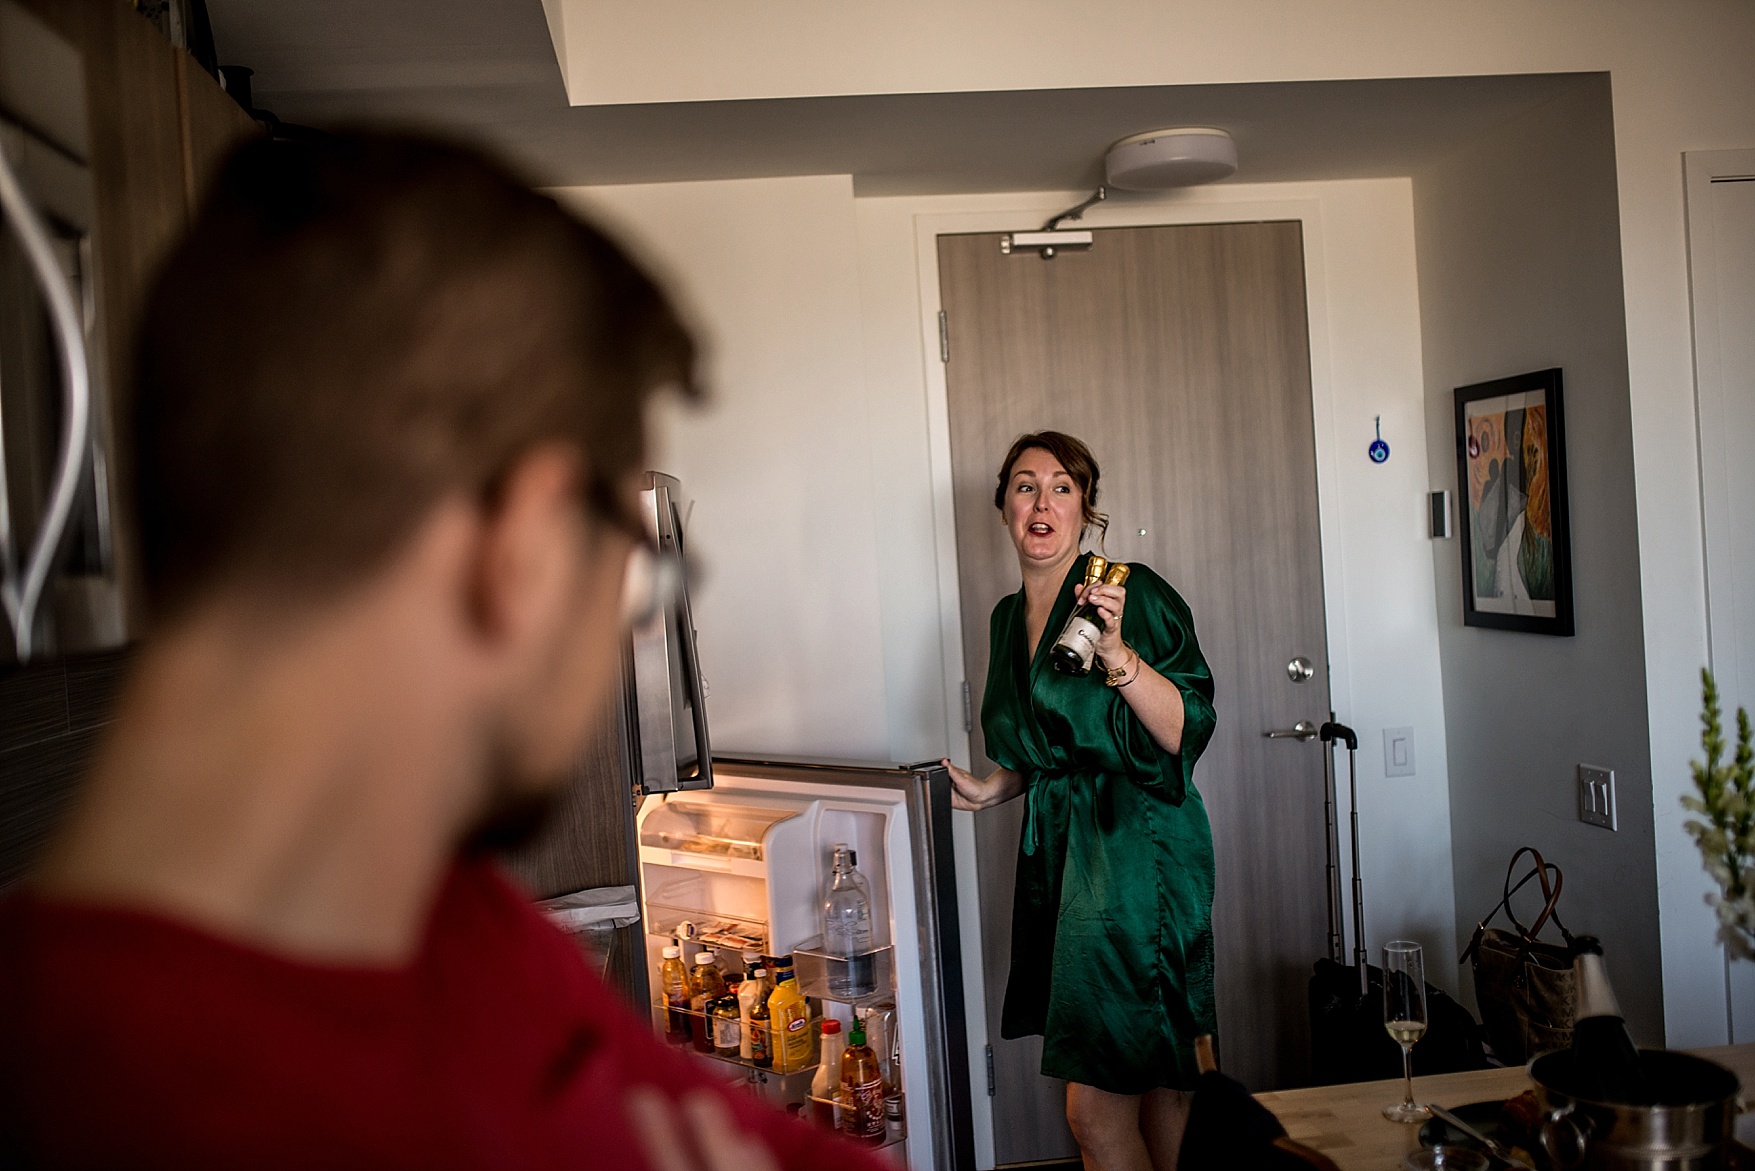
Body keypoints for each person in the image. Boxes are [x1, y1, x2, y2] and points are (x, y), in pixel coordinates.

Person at [0, 132, 887, 1171]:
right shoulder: (129, 1112)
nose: (634, 620)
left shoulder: (432, 914)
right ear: (525, 544)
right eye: (638, 573)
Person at [943, 432, 1218, 1171]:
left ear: (1084, 507)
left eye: (1060, 486)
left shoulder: (1127, 590)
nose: (1041, 500)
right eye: (1025, 485)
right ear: (1003, 504)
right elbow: (1052, 746)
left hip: (1137, 851)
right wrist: (996, 785)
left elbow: (1185, 726)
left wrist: (1118, 654)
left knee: (1094, 1110)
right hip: (1064, 855)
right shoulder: (1008, 617)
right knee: (1157, 1078)